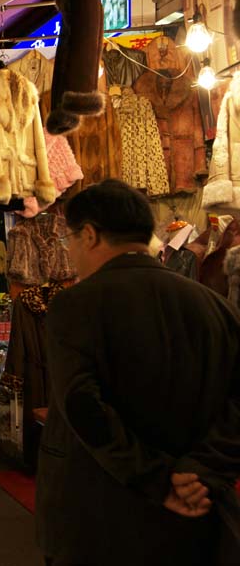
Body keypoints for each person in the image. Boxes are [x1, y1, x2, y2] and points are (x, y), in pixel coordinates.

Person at [36, 179, 240, 565]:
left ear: (91, 235)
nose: (71, 252)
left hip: (100, 518)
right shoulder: (216, 307)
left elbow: (83, 406)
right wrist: (201, 471)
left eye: (70, 240)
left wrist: (158, 481)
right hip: (199, 517)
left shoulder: (76, 306)